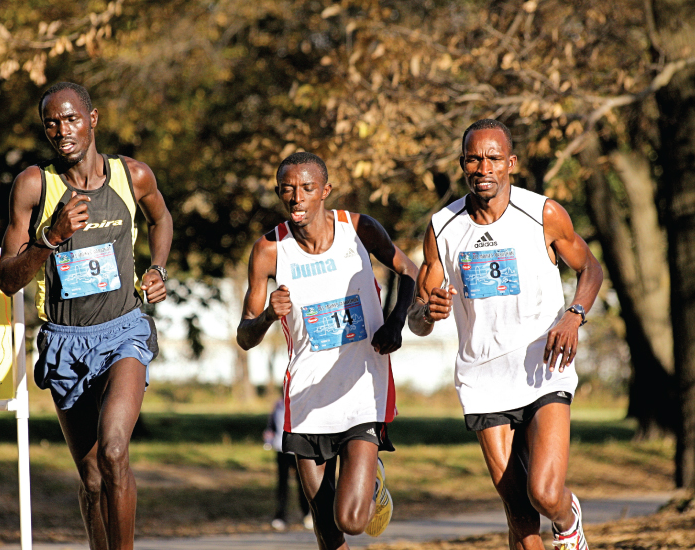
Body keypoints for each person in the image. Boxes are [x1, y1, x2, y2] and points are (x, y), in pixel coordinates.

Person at [408, 119, 603, 550]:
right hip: (483, 380)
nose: (484, 168)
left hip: (542, 367)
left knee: (545, 494)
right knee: (519, 514)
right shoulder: (442, 227)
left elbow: (590, 268)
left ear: (510, 163)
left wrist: (573, 315)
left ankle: (569, 523)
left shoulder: (543, 213)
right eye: (474, 159)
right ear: (462, 165)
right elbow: (417, 317)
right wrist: (428, 312)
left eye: (494, 158)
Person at [0, 81, 173, 550]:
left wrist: (157, 267)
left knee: (116, 451)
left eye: (71, 118)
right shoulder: (35, 185)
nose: (62, 130)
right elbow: (8, 279)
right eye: (51, 123)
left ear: (92, 119)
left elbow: (162, 218)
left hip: (124, 332)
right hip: (64, 340)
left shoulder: (131, 175)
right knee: (93, 479)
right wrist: (48, 238)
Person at [237, 151, 418, 549]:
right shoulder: (269, 250)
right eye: (288, 189)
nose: (296, 197)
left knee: (351, 520)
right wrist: (268, 315)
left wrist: (395, 322)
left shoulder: (359, 230)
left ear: (325, 191)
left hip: (362, 389)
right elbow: (244, 336)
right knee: (325, 524)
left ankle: (373, 482)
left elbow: (409, 272)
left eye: (306, 188)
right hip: (307, 396)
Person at [263, 397, 312, 531]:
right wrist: (268, 437)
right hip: (281, 450)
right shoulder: (278, 405)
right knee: (282, 484)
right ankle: (280, 517)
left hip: (299, 450)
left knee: (302, 484)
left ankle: (307, 515)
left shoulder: (303, 403)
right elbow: (271, 425)